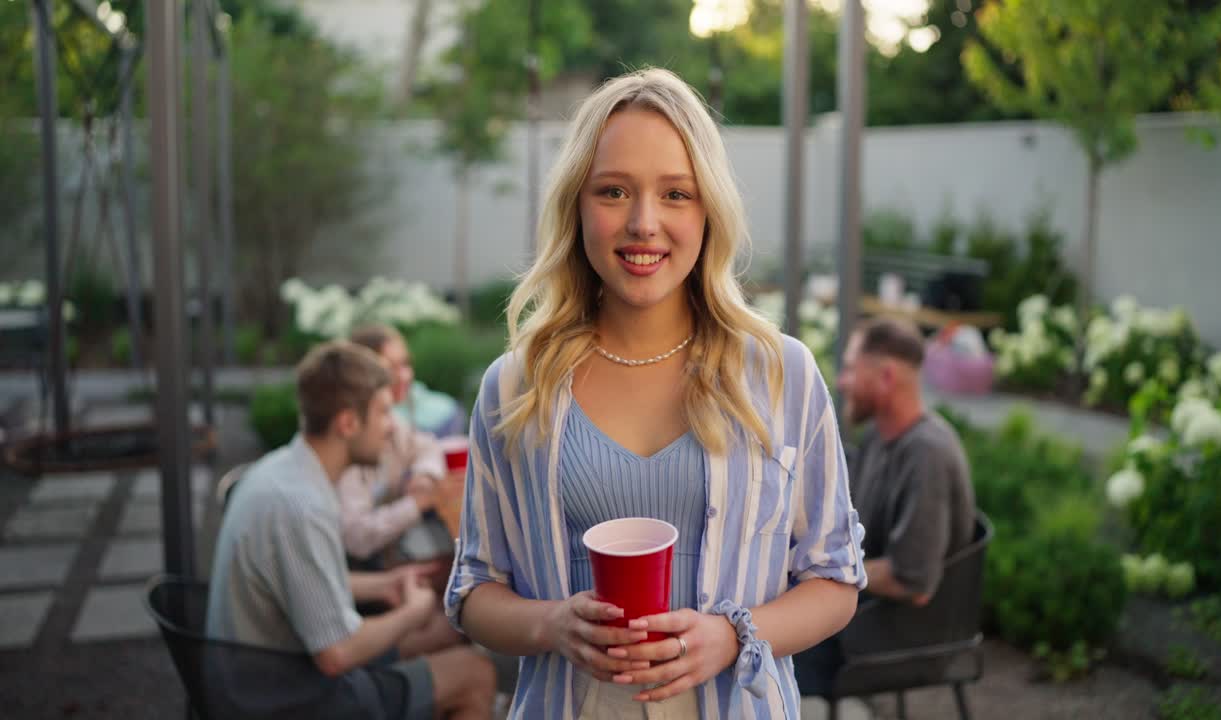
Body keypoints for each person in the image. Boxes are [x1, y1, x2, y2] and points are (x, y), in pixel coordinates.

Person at [444, 68, 867, 718]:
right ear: (577, 206)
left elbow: (835, 580)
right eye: (613, 191)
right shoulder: (515, 388)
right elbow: (474, 588)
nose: (644, 223)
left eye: (676, 194)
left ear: (708, 211)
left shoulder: (784, 375)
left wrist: (732, 637)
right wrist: (553, 624)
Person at [207, 341, 496, 719]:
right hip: (286, 697)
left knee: (446, 633)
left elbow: (303, 580)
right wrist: (413, 610)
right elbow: (336, 654)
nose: (391, 426)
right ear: (347, 423)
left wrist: (386, 583)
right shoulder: (300, 507)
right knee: (475, 672)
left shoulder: (283, 472)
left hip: (258, 675)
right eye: (382, 412)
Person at [795, 318, 976, 697]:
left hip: (902, 636)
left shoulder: (926, 454)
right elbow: (844, 526)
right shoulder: (880, 434)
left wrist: (808, 569)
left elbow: (912, 579)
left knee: (765, 644)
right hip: (870, 613)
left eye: (849, 369)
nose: (841, 383)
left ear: (887, 376)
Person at [339, 324, 461, 566]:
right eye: (390, 368)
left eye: (405, 364)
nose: (404, 376)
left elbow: (426, 446)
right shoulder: (352, 440)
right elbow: (356, 538)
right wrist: (418, 502)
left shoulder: (391, 421)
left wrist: (424, 475)